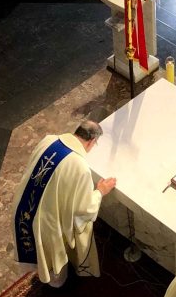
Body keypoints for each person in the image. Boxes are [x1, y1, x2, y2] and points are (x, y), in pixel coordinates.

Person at [12, 121, 116, 287]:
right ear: (92, 141)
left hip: (22, 208)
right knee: (53, 259)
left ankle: (48, 276)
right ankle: (57, 285)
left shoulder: (49, 140)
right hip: (46, 225)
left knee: (36, 249)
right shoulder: (80, 167)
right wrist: (100, 191)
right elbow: (83, 209)